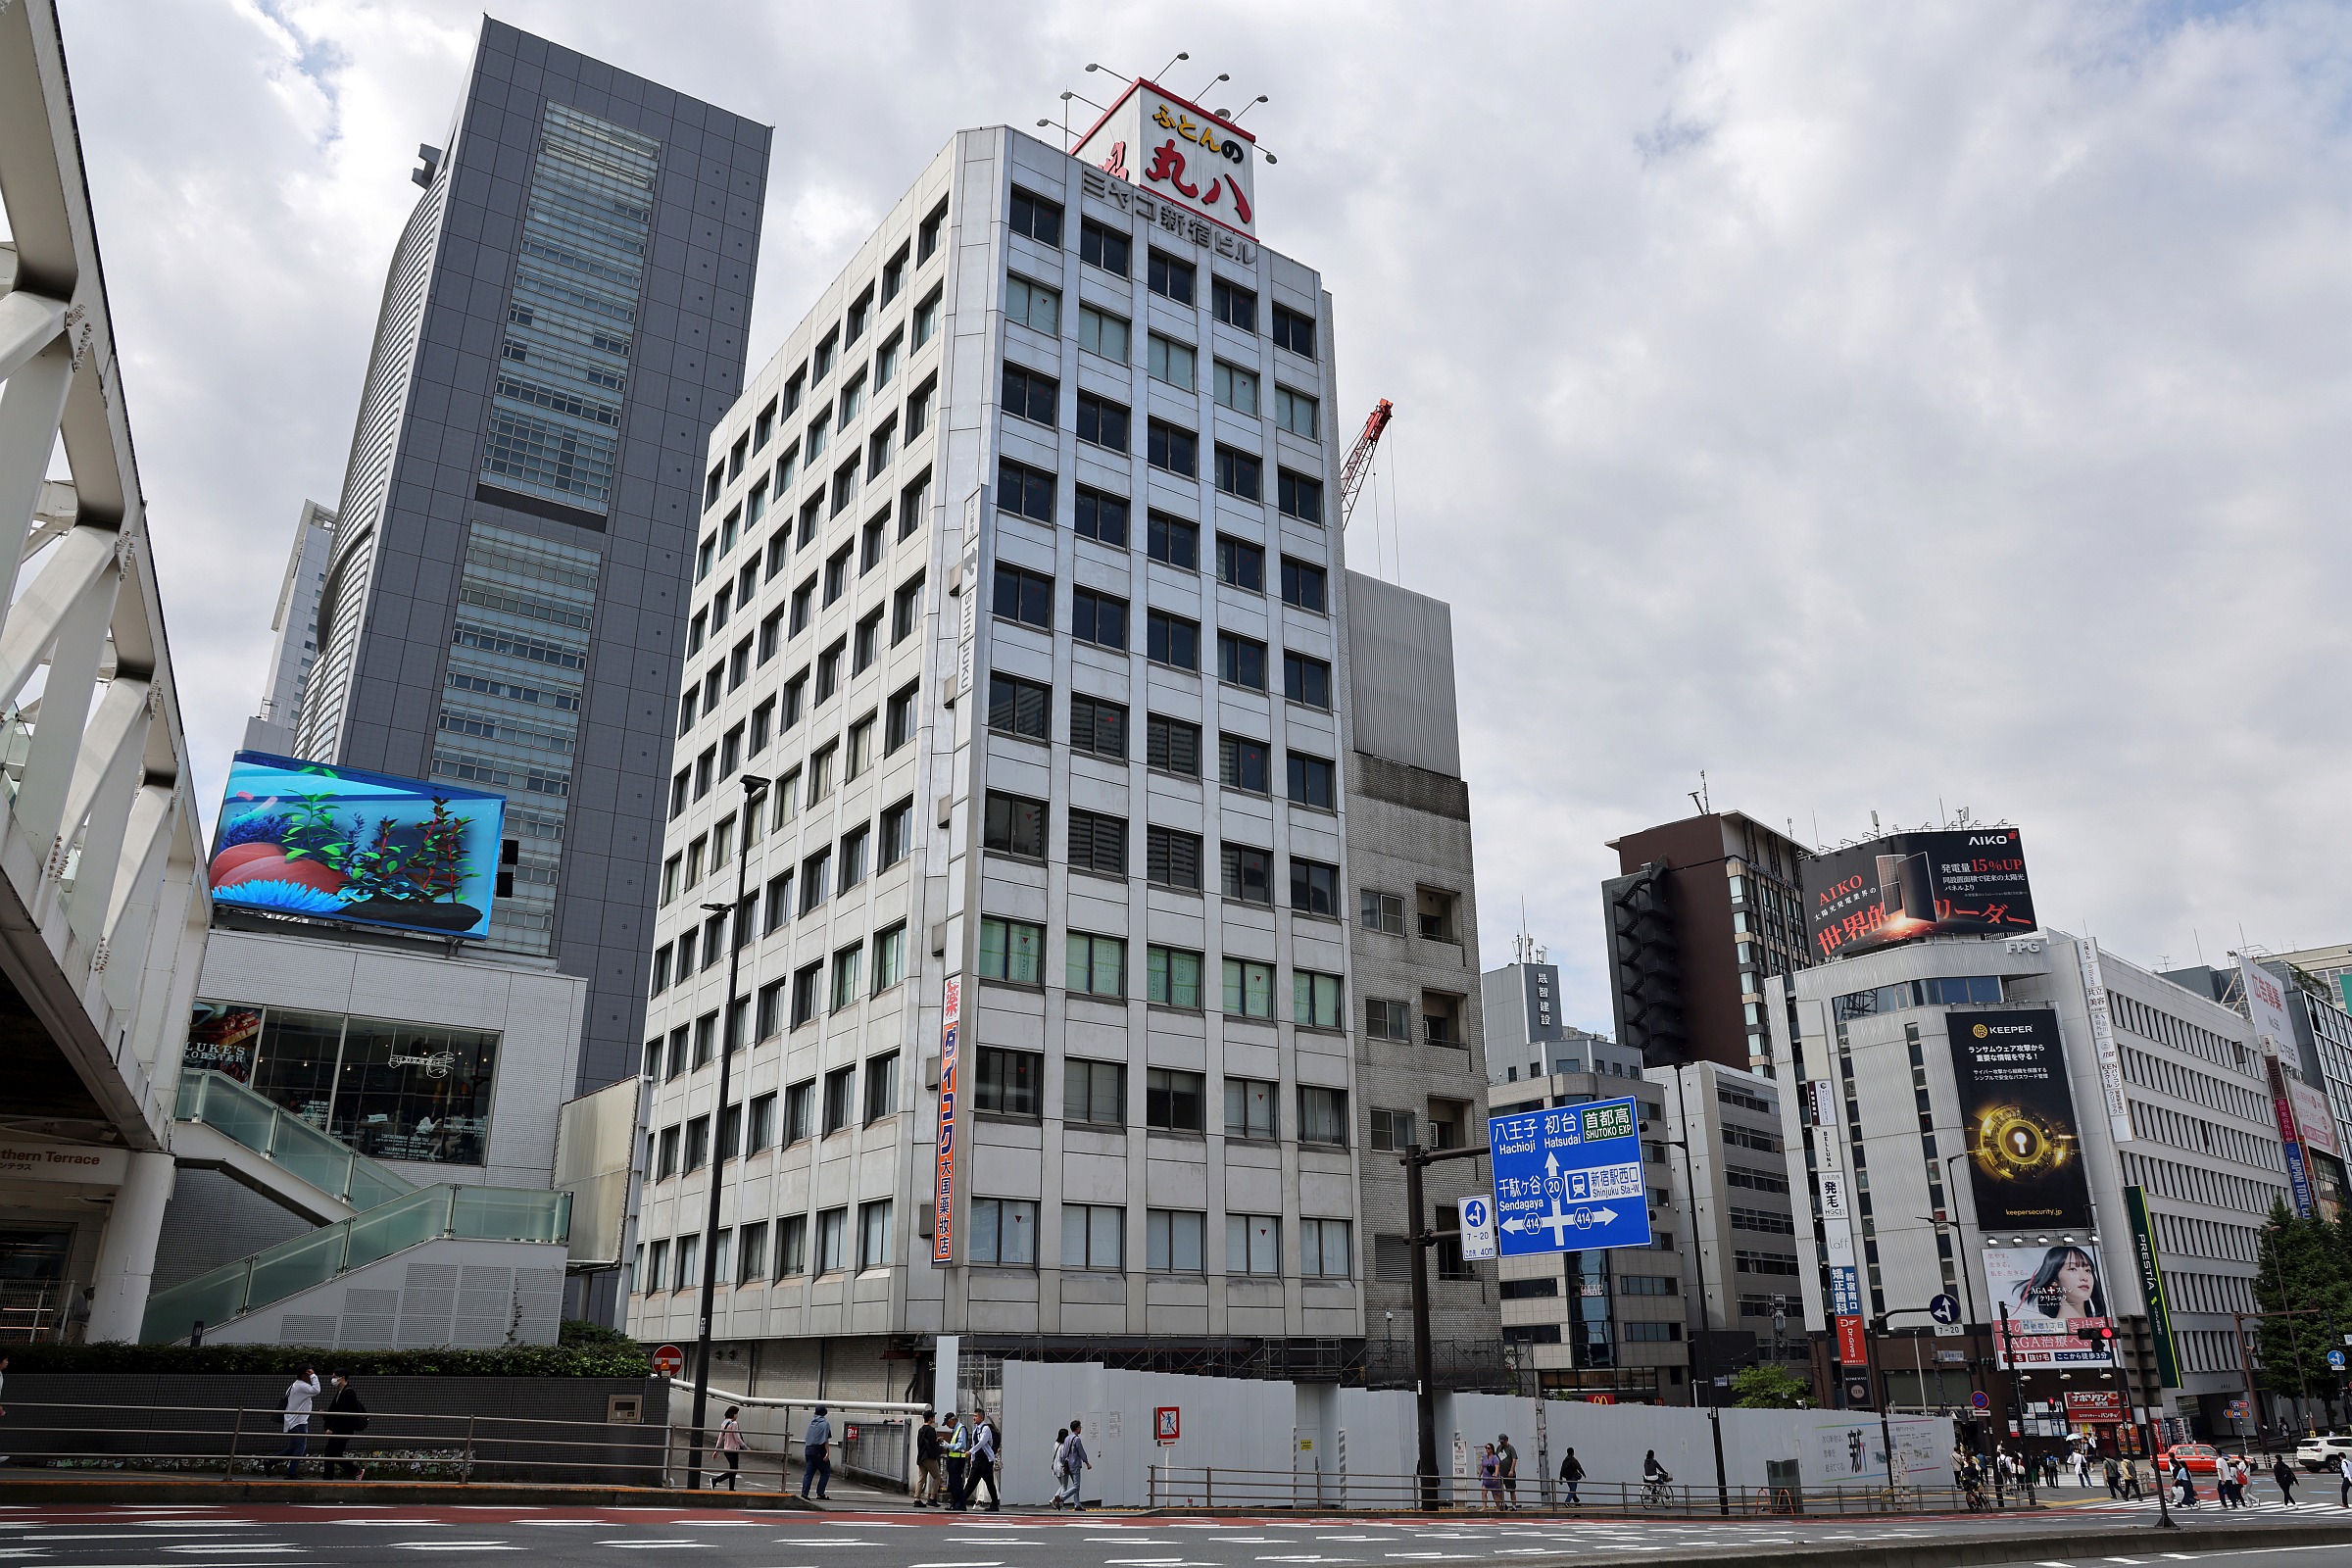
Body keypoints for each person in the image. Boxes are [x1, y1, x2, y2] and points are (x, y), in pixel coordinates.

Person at [2010, 1245, 2108, 1322]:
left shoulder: (2103, 1326)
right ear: (2054, 1280)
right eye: (2072, 1269)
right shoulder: (2048, 1331)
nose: (2084, 1277)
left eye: (2088, 1270)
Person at [266, 1367, 320, 1479]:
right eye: (309, 1375)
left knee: (292, 1448)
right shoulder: (301, 1386)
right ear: (304, 1375)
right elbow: (316, 1390)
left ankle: (271, 1462)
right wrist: (314, 1376)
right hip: (298, 1422)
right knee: (300, 1447)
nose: (310, 1378)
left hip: (293, 1421)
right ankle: (291, 1473)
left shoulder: (295, 1385)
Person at [321, 1372, 368, 1482]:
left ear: (342, 1378)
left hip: (343, 1429)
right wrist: (325, 1415)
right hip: (340, 1428)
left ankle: (354, 1471)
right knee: (332, 1453)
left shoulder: (349, 1392)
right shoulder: (341, 1391)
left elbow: (343, 1412)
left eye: (334, 1377)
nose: (332, 1379)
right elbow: (335, 1410)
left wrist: (331, 1428)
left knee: (331, 1453)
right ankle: (330, 1478)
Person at [966, 1407, 999, 1512]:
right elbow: (974, 1443)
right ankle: (960, 1501)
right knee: (973, 1481)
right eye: (974, 1416)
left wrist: (970, 1452)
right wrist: (973, 1458)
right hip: (978, 1460)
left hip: (985, 1460)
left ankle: (994, 1504)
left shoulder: (985, 1429)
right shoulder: (976, 1429)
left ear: (981, 1417)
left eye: (976, 1416)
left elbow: (982, 1442)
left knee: (988, 1483)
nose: (974, 1418)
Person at [800, 1404, 832, 1500]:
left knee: (809, 1473)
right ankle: (820, 1493)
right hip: (819, 1450)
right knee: (825, 1471)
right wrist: (827, 1453)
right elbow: (825, 1440)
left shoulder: (812, 1422)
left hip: (808, 1449)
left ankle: (804, 1493)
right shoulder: (825, 1424)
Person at [1056, 1419, 1091, 1510]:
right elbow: (1081, 1452)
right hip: (1075, 1464)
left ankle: (1077, 1504)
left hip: (1068, 1465)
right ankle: (1061, 1497)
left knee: (1075, 1485)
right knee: (1076, 1486)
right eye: (1080, 1427)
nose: (1081, 1429)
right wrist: (1086, 1462)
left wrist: (1063, 1462)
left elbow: (1064, 1453)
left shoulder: (1067, 1439)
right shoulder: (1077, 1439)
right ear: (1077, 1428)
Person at [913, 1412, 943, 1507]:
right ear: (930, 1418)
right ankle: (932, 1498)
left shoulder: (921, 1429)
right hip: (929, 1457)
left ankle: (917, 1499)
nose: (934, 1419)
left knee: (921, 1478)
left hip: (921, 1457)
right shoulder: (931, 1430)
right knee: (937, 1477)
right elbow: (931, 1444)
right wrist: (938, 1441)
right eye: (933, 1417)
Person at [945, 1410, 971, 1510]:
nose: (947, 1425)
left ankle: (960, 1504)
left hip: (958, 1459)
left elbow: (961, 1444)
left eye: (947, 1423)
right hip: (953, 1458)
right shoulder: (955, 1429)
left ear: (952, 1420)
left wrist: (948, 1446)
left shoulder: (961, 1429)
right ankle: (956, 1503)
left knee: (956, 1482)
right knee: (952, 1482)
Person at [716, 1406, 747, 1492]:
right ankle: (716, 1480)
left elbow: (720, 1437)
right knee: (734, 1470)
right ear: (733, 1414)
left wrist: (716, 1450)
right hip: (733, 1450)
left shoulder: (724, 1423)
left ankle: (731, 1488)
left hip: (726, 1450)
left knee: (733, 1469)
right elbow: (737, 1438)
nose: (737, 1415)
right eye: (736, 1413)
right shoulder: (734, 1424)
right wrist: (745, 1447)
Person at [1495, 1433, 1518, 1509]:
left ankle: (1514, 1506)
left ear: (1506, 1440)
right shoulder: (1499, 1448)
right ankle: (1503, 1504)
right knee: (1500, 1489)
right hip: (1501, 1472)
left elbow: (1514, 1459)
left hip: (1509, 1472)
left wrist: (1511, 1470)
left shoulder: (1511, 1448)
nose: (1501, 1443)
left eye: (1503, 1441)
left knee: (1511, 1490)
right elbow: (1496, 1459)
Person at [1478, 1444, 1501, 1508]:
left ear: (1492, 1449)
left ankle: (1498, 1507)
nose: (1487, 1449)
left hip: (1492, 1479)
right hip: (1485, 1478)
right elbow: (1482, 1466)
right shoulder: (1484, 1457)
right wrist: (1479, 1475)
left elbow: (1497, 1467)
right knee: (1484, 1492)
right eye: (1486, 1448)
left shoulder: (1495, 1458)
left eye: (1488, 1448)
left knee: (1495, 1494)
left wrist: (1495, 1476)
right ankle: (1484, 1507)